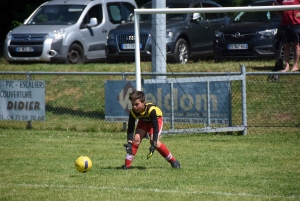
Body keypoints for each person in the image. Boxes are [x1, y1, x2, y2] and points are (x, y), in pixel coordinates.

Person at [122, 90, 180, 169]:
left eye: (137, 104)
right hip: (143, 121)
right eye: (132, 104)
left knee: (154, 141)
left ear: (143, 102)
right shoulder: (133, 112)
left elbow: (155, 128)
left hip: (156, 120)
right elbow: (130, 128)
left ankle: (173, 161)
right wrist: (129, 142)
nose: (134, 107)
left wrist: (154, 144)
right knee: (136, 139)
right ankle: (127, 165)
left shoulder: (151, 110)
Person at [275, 0, 300, 72]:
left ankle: (296, 65)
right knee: (286, 46)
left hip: (296, 24)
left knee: (296, 45)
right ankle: (287, 66)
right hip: (285, 24)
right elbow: (274, 3)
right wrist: (280, 15)